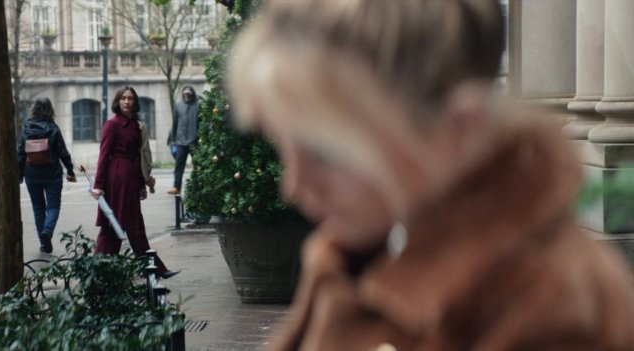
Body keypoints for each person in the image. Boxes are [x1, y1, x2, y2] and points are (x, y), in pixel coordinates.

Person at [228, 0, 634, 350]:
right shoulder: (355, 253)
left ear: (459, 128)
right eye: (283, 146)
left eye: (327, 152)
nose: (294, 186)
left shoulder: (552, 303)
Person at [92, 86, 179, 279]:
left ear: (135, 102)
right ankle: (99, 270)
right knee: (114, 226)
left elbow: (137, 157)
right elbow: (103, 157)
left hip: (130, 179)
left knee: (132, 227)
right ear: (117, 101)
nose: (126, 102)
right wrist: (98, 185)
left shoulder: (136, 126)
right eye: (123, 98)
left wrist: (141, 184)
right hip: (116, 181)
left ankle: (150, 269)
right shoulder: (112, 125)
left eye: (130, 98)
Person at [17, 97, 76, 254]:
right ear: (50, 110)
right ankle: (47, 231)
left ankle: (44, 244)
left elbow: (21, 152)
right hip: (52, 173)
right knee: (53, 206)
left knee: (38, 208)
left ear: (34, 109)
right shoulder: (52, 128)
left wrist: (19, 173)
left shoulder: (26, 127)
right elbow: (63, 152)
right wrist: (70, 171)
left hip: (32, 173)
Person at [166, 86, 199, 195]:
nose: (187, 95)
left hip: (194, 141)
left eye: (189, 94)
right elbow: (175, 123)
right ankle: (177, 187)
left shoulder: (198, 105)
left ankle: (199, 186)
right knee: (178, 166)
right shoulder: (178, 106)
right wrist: (173, 140)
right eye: (185, 94)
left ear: (192, 94)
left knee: (198, 165)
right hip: (180, 141)